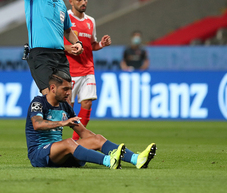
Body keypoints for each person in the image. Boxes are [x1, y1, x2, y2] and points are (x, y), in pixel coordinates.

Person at [25, 69, 157, 169]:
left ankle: (137, 159)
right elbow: (37, 124)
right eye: (65, 89)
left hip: (59, 154)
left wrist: (98, 142)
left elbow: (84, 133)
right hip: (40, 154)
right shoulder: (38, 102)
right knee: (70, 142)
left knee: (97, 138)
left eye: (70, 89)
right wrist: (62, 122)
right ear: (52, 88)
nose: (68, 93)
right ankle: (109, 161)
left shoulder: (65, 106)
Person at [64, 0, 111, 141]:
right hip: (69, 70)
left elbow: (92, 45)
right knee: (67, 109)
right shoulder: (65, 18)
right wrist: (69, 49)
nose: (83, 2)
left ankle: (75, 140)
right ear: (71, 2)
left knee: (87, 103)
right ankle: (56, 140)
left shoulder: (91, 21)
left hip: (88, 69)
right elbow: (57, 42)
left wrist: (101, 44)